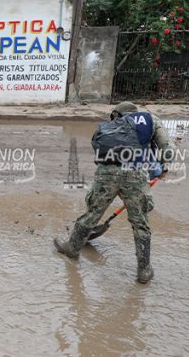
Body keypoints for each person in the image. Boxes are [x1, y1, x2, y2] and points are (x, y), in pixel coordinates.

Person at [52, 102, 174, 284]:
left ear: (117, 114)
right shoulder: (149, 119)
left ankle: (72, 247)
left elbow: (98, 148)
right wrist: (164, 167)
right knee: (140, 221)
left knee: (93, 212)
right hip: (135, 172)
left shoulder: (108, 126)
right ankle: (144, 270)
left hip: (106, 173)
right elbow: (165, 146)